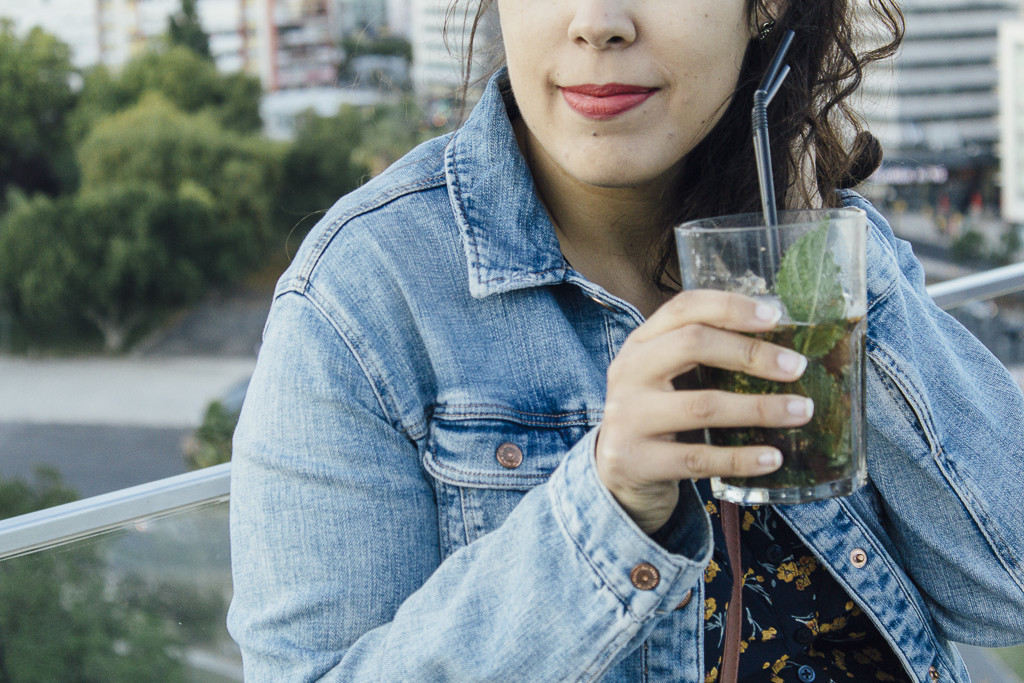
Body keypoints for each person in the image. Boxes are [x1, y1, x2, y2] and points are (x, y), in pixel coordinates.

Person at [227, 0, 1024, 680]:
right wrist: (607, 510)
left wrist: (823, 249)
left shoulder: (814, 234)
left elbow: (1006, 586)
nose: (598, 24)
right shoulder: (363, 296)